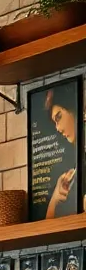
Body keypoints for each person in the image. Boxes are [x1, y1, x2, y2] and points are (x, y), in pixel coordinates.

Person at [44, 88, 79, 219]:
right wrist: (55, 197)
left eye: (58, 117)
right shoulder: (75, 169)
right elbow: (47, 230)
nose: (58, 128)